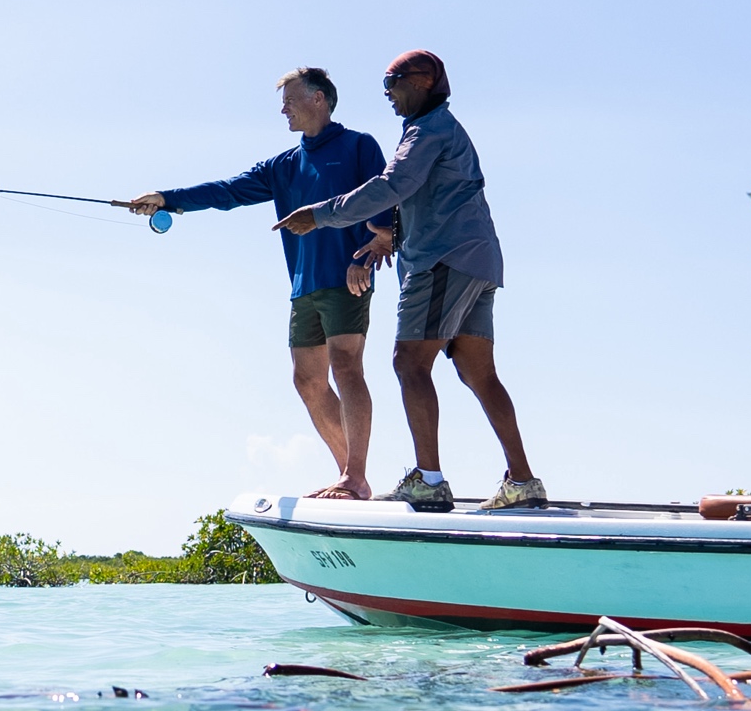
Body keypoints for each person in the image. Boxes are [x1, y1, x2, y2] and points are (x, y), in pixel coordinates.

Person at [278, 48, 545, 514]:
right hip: (478, 263)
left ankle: (429, 481)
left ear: (421, 81)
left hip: (443, 262)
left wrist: (319, 216)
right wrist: (388, 236)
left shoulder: (427, 130)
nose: (388, 95)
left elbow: (390, 186)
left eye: (392, 84)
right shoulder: (439, 131)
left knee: (409, 362)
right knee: (478, 373)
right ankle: (523, 481)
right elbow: (422, 198)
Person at [129, 68, 399, 498]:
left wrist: (370, 251)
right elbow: (229, 191)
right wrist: (169, 199)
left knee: (347, 366)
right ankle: (352, 478)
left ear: (319, 100)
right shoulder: (283, 166)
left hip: (346, 275)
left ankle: (355, 475)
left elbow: (385, 198)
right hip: (303, 286)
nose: (283, 108)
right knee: (307, 380)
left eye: (290, 99)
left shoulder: (359, 146)